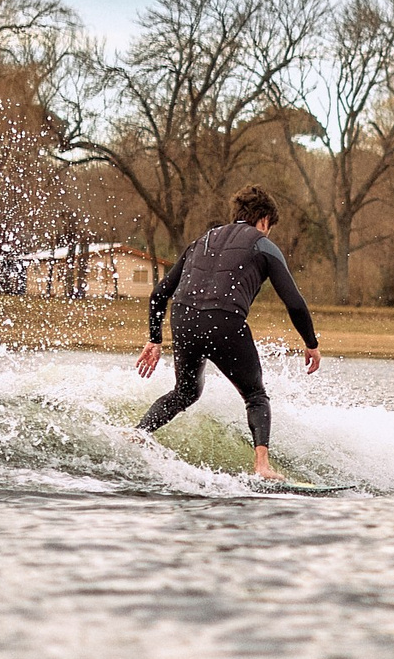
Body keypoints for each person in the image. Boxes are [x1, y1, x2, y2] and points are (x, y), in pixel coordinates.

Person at [137, 185, 321, 481]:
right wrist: (311, 343)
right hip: (223, 321)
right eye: (269, 226)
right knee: (256, 395)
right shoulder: (263, 244)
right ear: (263, 220)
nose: (268, 231)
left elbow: (159, 294)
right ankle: (262, 467)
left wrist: (155, 339)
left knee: (185, 392)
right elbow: (294, 302)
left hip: (182, 318)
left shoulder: (201, 240)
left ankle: (138, 433)